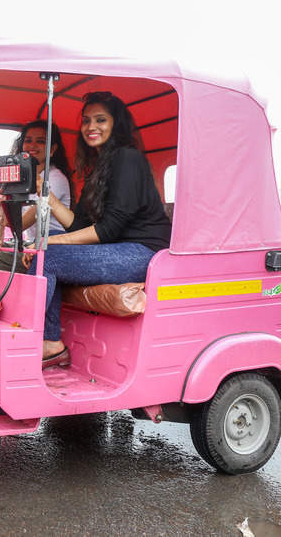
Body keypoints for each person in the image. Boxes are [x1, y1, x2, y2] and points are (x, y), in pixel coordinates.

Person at [32, 91, 171, 368]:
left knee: (48, 255)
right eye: (86, 121)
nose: (91, 127)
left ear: (115, 124)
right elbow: (80, 224)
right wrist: (50, 200)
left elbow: (107, 230)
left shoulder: (127, 159)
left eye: (100, 120)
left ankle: (39, 340)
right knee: (50, 248)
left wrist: (47, 244)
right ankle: (50, 342)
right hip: (117, 247)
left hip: (142, 251)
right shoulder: (100, 168)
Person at [0, 120, 74, 270]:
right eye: (28, 140)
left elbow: (19, 224)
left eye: (40, 141)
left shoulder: (55, 179)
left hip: (50, 245)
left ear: (52, 149)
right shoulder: (21, 178)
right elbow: (4, 215)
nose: (32, 146)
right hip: (28, 243)